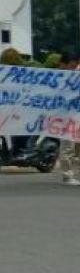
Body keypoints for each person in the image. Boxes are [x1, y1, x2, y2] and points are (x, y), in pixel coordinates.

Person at [57, 53, 80, 187]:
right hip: (63, 118)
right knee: (67, 146)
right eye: (72, 66)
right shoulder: (56, 79)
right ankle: (67, 175)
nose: (74, 69)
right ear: (63, 64)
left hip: (75, 116)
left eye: (76, 66)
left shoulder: (75, 78)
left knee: (75, 147)